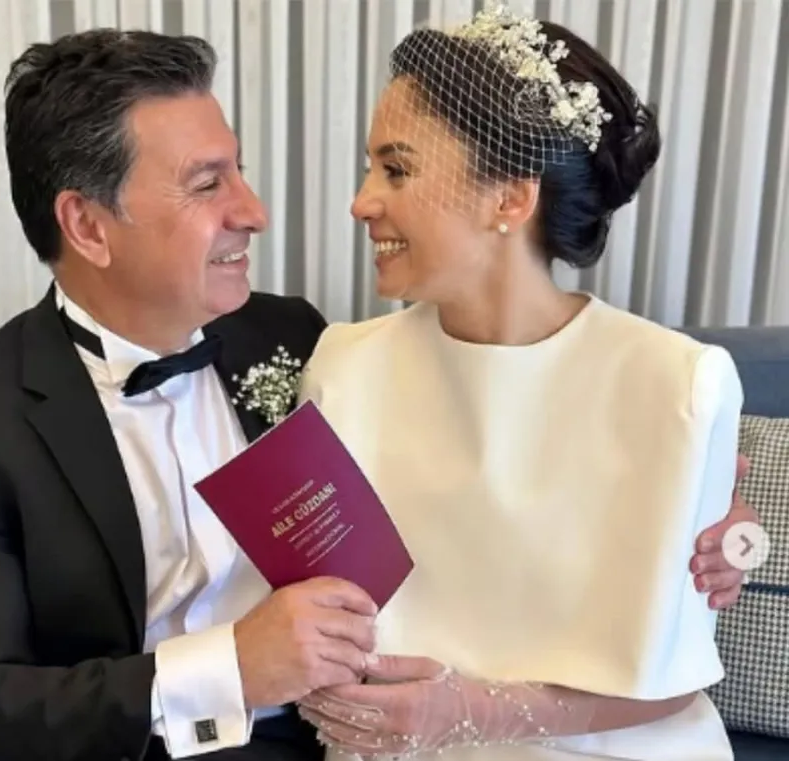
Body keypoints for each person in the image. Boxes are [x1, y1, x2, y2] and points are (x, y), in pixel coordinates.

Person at [0, 25, 752, 761]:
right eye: (207, 183)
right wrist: (231, 665)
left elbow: (531, 460)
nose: (255, 211)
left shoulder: (297, 340)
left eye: (239, 170)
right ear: (87, 225)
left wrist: (710, 521)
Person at [295, 6, 749, 761]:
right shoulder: (342, 367)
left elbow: (676, 675)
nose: (362, 201)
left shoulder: (675, 384)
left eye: (397, 169)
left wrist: (468, 710)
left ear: (510, 197)